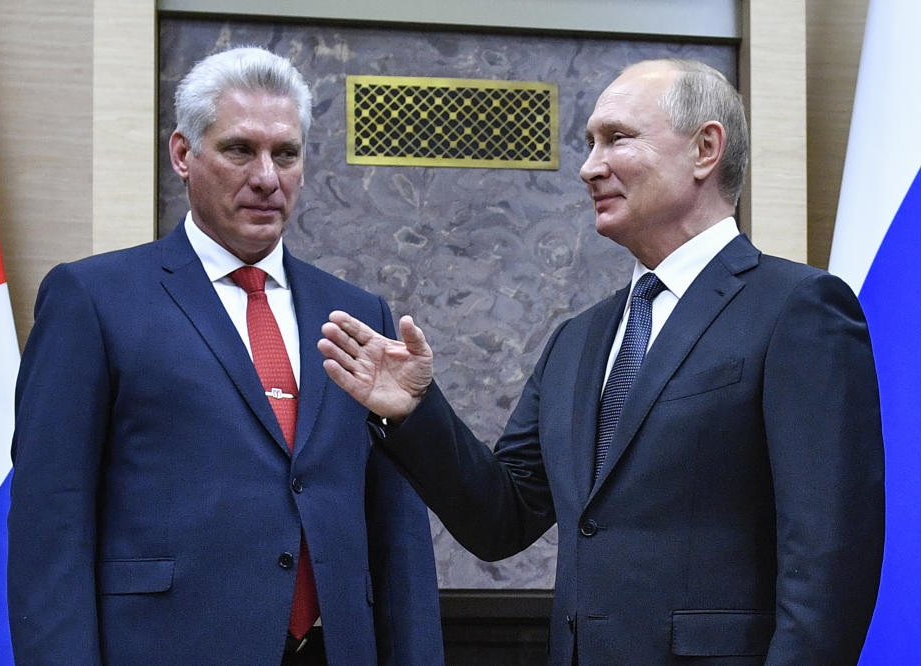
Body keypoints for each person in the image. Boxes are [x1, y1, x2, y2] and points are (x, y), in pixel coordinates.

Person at [318, 59, 884, 665]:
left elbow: (829, 560)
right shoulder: (578, 340)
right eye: (589, 144)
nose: (589, 167)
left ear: (705, 148)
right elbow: (501, 519)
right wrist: (415, 413)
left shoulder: (797, 310)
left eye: (617, 138)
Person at [7, 46, 443, 665]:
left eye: (285, 154)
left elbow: (396, 528)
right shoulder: (94, 299)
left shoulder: (356, 313)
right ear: (184, 155)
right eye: (241, 150)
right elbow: (50, 524)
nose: (267, 176)